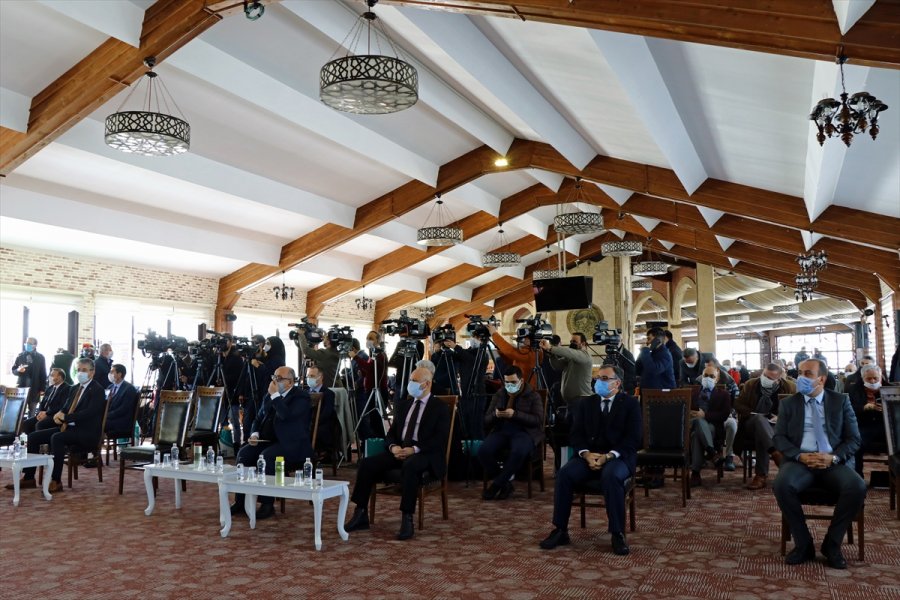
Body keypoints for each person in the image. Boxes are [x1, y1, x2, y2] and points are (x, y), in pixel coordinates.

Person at [772, 359, 866, 569]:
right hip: (800, 461)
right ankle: (803, 544)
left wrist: (833, 457)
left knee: (857, 486)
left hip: (833, 461)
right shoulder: (789, 403)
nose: (801, 378)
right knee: (782, 485)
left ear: (821, 379)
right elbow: (779, 438)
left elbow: (854, 439)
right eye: (799, 373)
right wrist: (799, 456)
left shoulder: (840, 401)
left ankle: (832, 544)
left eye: (808, 374)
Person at [539, 365, 641, 555]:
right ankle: (560, 530)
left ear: (617, 383)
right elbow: (576, 434)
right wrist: (586, 454)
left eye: (604, 379)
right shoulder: (586, 403)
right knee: (564, 474)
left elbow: (634, 439)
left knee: (611, 477)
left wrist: (608, 456)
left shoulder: (630, 404)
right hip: (589, 456)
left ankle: (617, 533)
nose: (598, 382)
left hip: (618, 457)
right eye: (597, 378)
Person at [344, 367, 451, 541]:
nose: (410, 384)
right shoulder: (404, 405)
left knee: (410, 466)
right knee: (366, 463)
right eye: (410, 380)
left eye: (414, 381)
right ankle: (360, 513)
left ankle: (407, 518)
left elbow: (439, 439)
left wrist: (414, 449)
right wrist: (393, 447)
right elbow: (391, 434)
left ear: (426, 384)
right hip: (400, 450)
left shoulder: (439, 407)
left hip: (424, 453)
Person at [11, 358, 106, 494]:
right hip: (69, 428)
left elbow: (90, 412)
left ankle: (56, 480)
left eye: (84, 370)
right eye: (78, 370)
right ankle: (29, 477)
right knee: (33, 437)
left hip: (87, 432)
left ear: (92, 372)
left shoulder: (97, 390)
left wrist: (66, 418)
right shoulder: (75, 388)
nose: (80, 373)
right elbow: (66, 407)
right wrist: (59, 413)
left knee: (57, 438)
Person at [230, 367, 313, 520]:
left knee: (266, 457)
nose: (275, 381)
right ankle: (240, 501)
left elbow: (286, 416)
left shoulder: (301, 397)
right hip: (268, 441)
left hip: (291, 444)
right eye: (274, 377)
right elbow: (258, 418)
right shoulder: (269, 396)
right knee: (244, 453)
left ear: (290, 382)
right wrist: (254, 434)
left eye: (279, 379)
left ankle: (267, 504)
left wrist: (275, 396)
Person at [479, 365, 544, 500]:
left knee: (518, 451)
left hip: (525, 432)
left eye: (513, 382)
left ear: (521, 380)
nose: (509, 385)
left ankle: (496, 485)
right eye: (507, 382)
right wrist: (496, 415)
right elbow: (486, 420)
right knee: (483, 451)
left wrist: (515, 414)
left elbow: (538, 420)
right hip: (502, 430)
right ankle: (506, 485)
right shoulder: (499, 394)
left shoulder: (533, 396)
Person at [734, 362, 796, 490]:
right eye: (764, 375)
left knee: (761, 434)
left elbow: (796, 409)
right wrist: (752, 413)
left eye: (770, 378)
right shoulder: (751, 384)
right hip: (751, 422)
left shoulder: (790, 387)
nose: (765, 379)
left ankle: (761, 476)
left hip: (776, 426)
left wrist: (780, 417)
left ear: (778, 379)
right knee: (759, 420)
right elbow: (738, 404)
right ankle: (775, 452)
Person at [688, 365, 733, 487]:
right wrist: (691, 413)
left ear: (717, 379)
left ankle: (695, 473)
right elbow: (685, 410)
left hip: (713, 427)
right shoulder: (693, 393)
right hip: (692, 424)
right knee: (697, 424)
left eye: (711, 376)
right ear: (701, 377)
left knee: (696, 434)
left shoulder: (723, 394)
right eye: (705, 375)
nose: (708, 378)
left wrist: (705, 415)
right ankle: (712, 453)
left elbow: (724, 415)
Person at [847, 364, 888, 478]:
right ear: (862, 378)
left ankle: (893, 475)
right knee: (855, 444)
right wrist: (864, 407)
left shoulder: (888, 388)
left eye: (876, 378)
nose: (873, 381)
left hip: (885, 426)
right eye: (869, 379)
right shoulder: (853, 390)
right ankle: (858, 477)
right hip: (863, 425)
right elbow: (848, 409)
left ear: (881, 377)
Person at [540, 332, 593, 412]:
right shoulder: (570, 358)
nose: (571, 343)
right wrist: (551, 355)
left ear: (583, 344)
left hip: (582, 401)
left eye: (574, 342)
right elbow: (557, 366)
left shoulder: (585, 356)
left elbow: (569, 352)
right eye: (571, 341)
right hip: (570, 402)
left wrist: (550, 348)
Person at [21, 367, 69, 434]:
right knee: (26, 423)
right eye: (50, 375)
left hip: (54, 415)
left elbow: (61, 406)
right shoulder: (50, 388)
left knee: (40, 424)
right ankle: (31, 439)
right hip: (44, 414)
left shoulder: (67, 389)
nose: (50, 377)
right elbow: (42, 403)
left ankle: (40, 440)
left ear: (60, 377)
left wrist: (46, 413)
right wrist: (40, 413)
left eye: (52, 375)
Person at [305, 364, 337, 456]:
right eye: (308, 376)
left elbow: (327, 413)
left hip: (320, 423)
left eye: (312, 376)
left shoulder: (328, 394)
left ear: (321, 377)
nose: (309, 378)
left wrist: (312, 422)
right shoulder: (304, 393)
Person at [11, 336, 47, 414]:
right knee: (19, 412)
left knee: (32, 412)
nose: (27, 344)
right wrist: (18, 370)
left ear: (35, 345)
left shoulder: (40, 357)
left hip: (35, 388)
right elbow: (13, 370)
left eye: (29, 343)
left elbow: (43, 374)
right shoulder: (20, 356)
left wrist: (43, 388)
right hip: (21, 388)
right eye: (26, 343)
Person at [105, 364, 139, 435]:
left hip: (122, 421)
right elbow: (104, 404)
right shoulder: (110, 387)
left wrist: (106, 415)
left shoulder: (129, 389)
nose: (109, 374)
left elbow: (123, 409)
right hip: (110, 418)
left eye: (112, 372)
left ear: (119, 374)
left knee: (96, 422)